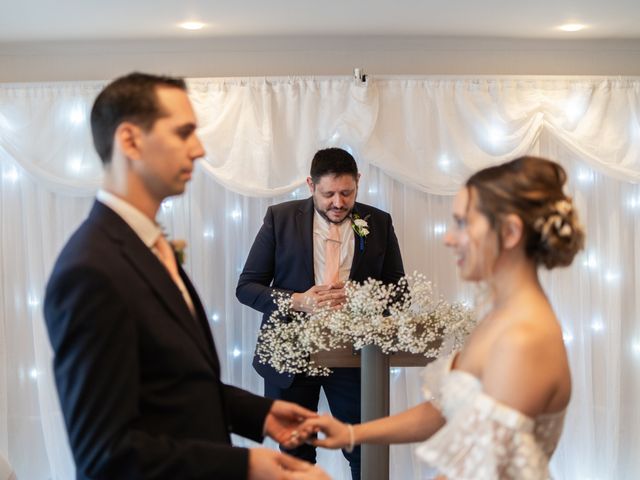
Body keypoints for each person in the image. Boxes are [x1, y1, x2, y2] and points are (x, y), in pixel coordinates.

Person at [44, 72, 330, 480]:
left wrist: (260, 412)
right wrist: (247, 465)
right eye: (184, 133)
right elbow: (106, 456)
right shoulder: (90, 271)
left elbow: (168, 384)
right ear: (129, 140)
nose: (198, 149)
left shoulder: (145, 246)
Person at [301, 156, 585, 479]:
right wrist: (352, 434)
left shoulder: (524, 337)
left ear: (509, 232)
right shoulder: (501, 316)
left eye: (463, 223)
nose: (449, 238)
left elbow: (477, 469)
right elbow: (447, 409)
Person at [236, 147, 405, 479]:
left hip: (356, 356)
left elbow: (401, 294)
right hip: (290, 353)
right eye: (328, 194)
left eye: (347, 193)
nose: (338, 203)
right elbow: (247, 287)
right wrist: (298, 300)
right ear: (310, 185)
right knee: (296, 452)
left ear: (358, 182)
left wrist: (364, 296)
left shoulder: (379, 222)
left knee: (363, 448)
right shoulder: (279, 218)